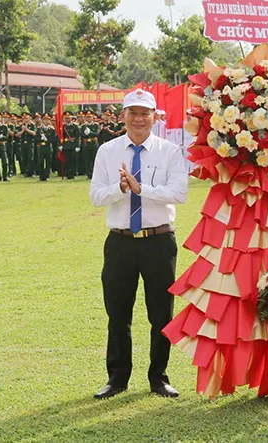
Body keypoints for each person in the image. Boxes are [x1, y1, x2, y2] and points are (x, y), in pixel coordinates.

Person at [88, 88, 188, 400]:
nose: (139, 119)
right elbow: (95, 196)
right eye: (133, 113)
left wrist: (141, 188)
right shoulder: (108, 151)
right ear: (123, 117)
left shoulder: (169, 152)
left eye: (145, 113)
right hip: (120, 243)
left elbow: (178, 193)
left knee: (161, 313)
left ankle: (159, 377)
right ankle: (117, 379)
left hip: (158, 241)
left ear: (155, 117)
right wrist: (120, 189)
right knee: (118, 313)